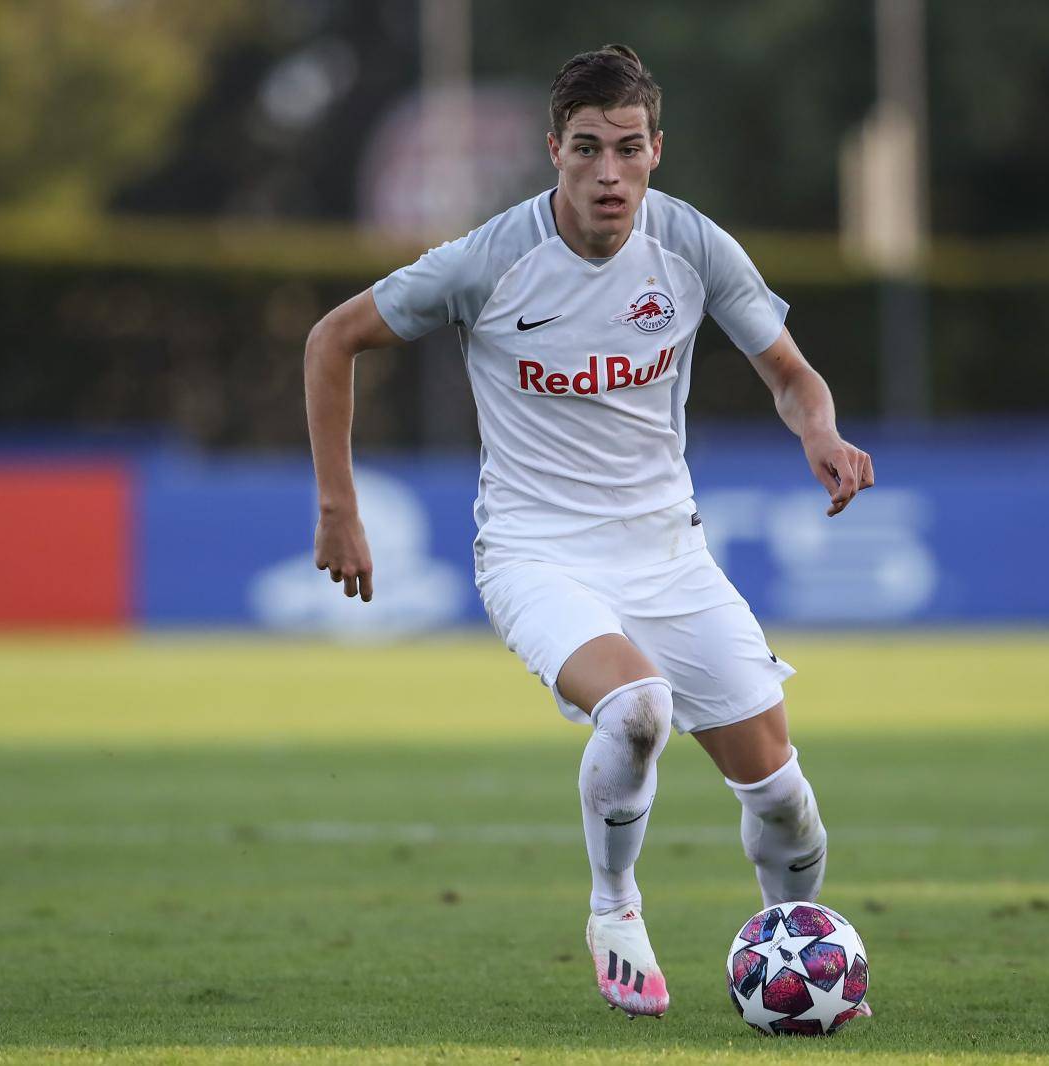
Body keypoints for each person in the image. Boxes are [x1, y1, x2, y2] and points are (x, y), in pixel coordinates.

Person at [304, 44, 874, 1019]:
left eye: (626, 148)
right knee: (638, 708)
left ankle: (800, 971)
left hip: (667, 553)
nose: (607, 172)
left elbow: (789, 372)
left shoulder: (692, 247)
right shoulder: (490, 260)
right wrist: (338, 506)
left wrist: (819, 427)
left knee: (782, 796)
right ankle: (614, 909)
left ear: (656, 150)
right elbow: (332, 338)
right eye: (585, 149)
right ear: (553, 153)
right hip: (537, 554)